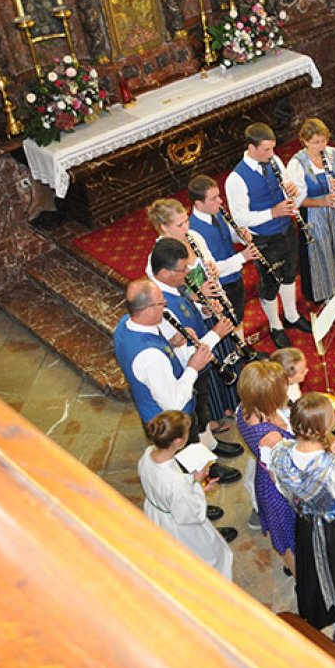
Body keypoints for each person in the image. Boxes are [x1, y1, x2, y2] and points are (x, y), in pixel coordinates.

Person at [112, 277, 242, 485]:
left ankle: (208, 460)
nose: (165, 306)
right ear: (146, 310)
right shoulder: (150, 357)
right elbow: (174, 403)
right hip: (169, 419)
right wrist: (194, 367)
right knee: (187, 458)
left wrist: (173, 344)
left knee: (195, 441)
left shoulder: (125, 324)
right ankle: (198, 490)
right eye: (160, 303)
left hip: (162, 399)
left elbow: (163, 363)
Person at [268, 393, 335, 649]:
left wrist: (326, 455)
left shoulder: (279, 452)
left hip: (306, 525)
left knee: (321, 576)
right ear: (324, 427)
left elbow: (284, 485)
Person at [146, 201, 242, 434]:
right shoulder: (158, 259)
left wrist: (214, 279)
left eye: (187, 220)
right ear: (163, 228)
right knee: (209, 368)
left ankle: (232, 404)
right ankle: (214, 418)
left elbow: (208, 266)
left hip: (213, 308)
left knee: (227, 355)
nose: (186, 227)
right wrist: (199, 300)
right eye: (179, 225)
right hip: (194, 318)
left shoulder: (194, 237)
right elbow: (171, 295)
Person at [224, 122, 312, 349]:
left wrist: (290, 188)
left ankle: (291, 316)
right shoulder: (236, 179)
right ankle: (276, 326)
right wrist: (273, 212)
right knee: (270, 283)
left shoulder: (274, 161)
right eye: (266, 150)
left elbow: (285, 185)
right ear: (251, 148)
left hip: (285, 228)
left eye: (273, 149)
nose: (272, 154)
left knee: (289, 273)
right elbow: (240, 218)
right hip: (263, 238)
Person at [138, 410, 236, 574]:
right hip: (178, 526)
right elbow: (192, 514)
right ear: (178, 441)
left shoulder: (148, 454)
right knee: (211, 559)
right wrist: (197, 482)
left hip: (158, 513)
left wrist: (193, 485)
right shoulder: (176, 484)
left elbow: (167, 489)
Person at [290, 118, 335, 304]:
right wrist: (322, 201)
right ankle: (330, 295)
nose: (321, 146)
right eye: (315, 142)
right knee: (324, 252)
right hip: (315, 213)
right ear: (305, 141)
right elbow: (298, 201)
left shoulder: (334, 154)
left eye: (323, 141)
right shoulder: (297, 164)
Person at [236, 360, 298, 577]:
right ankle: (300, 575)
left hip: (264, 479)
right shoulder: (272, 436)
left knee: (286, 534)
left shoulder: (243, 408)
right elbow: (293, 467)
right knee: (289, 538)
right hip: (279, 491)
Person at [187, 174, 259, 335]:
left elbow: (226, 234)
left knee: (238, 317)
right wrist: (243, 257)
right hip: (220, 285)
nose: (220, 201)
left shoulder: (217, 213)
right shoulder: (192, 231)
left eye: (218, 196)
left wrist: (239, 235)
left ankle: (243, 347)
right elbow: (210, 268)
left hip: (235, 277)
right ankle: (239, 352)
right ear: (199, 203)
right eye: (214, 198)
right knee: (228, 322)